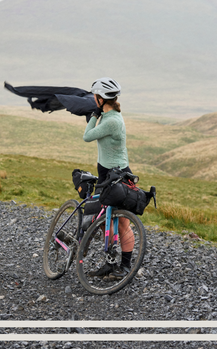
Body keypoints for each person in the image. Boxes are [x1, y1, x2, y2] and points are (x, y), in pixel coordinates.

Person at [82, 77, 134, 280]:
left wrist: (94, 116)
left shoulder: (111, 120)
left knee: (121, 223)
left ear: (99, 99)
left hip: (116, 174)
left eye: (94, 97)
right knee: (106, 221)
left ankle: (126, 267)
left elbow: (87, 136)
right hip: (108, 173)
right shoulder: (110, 116)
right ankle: (110, 264)